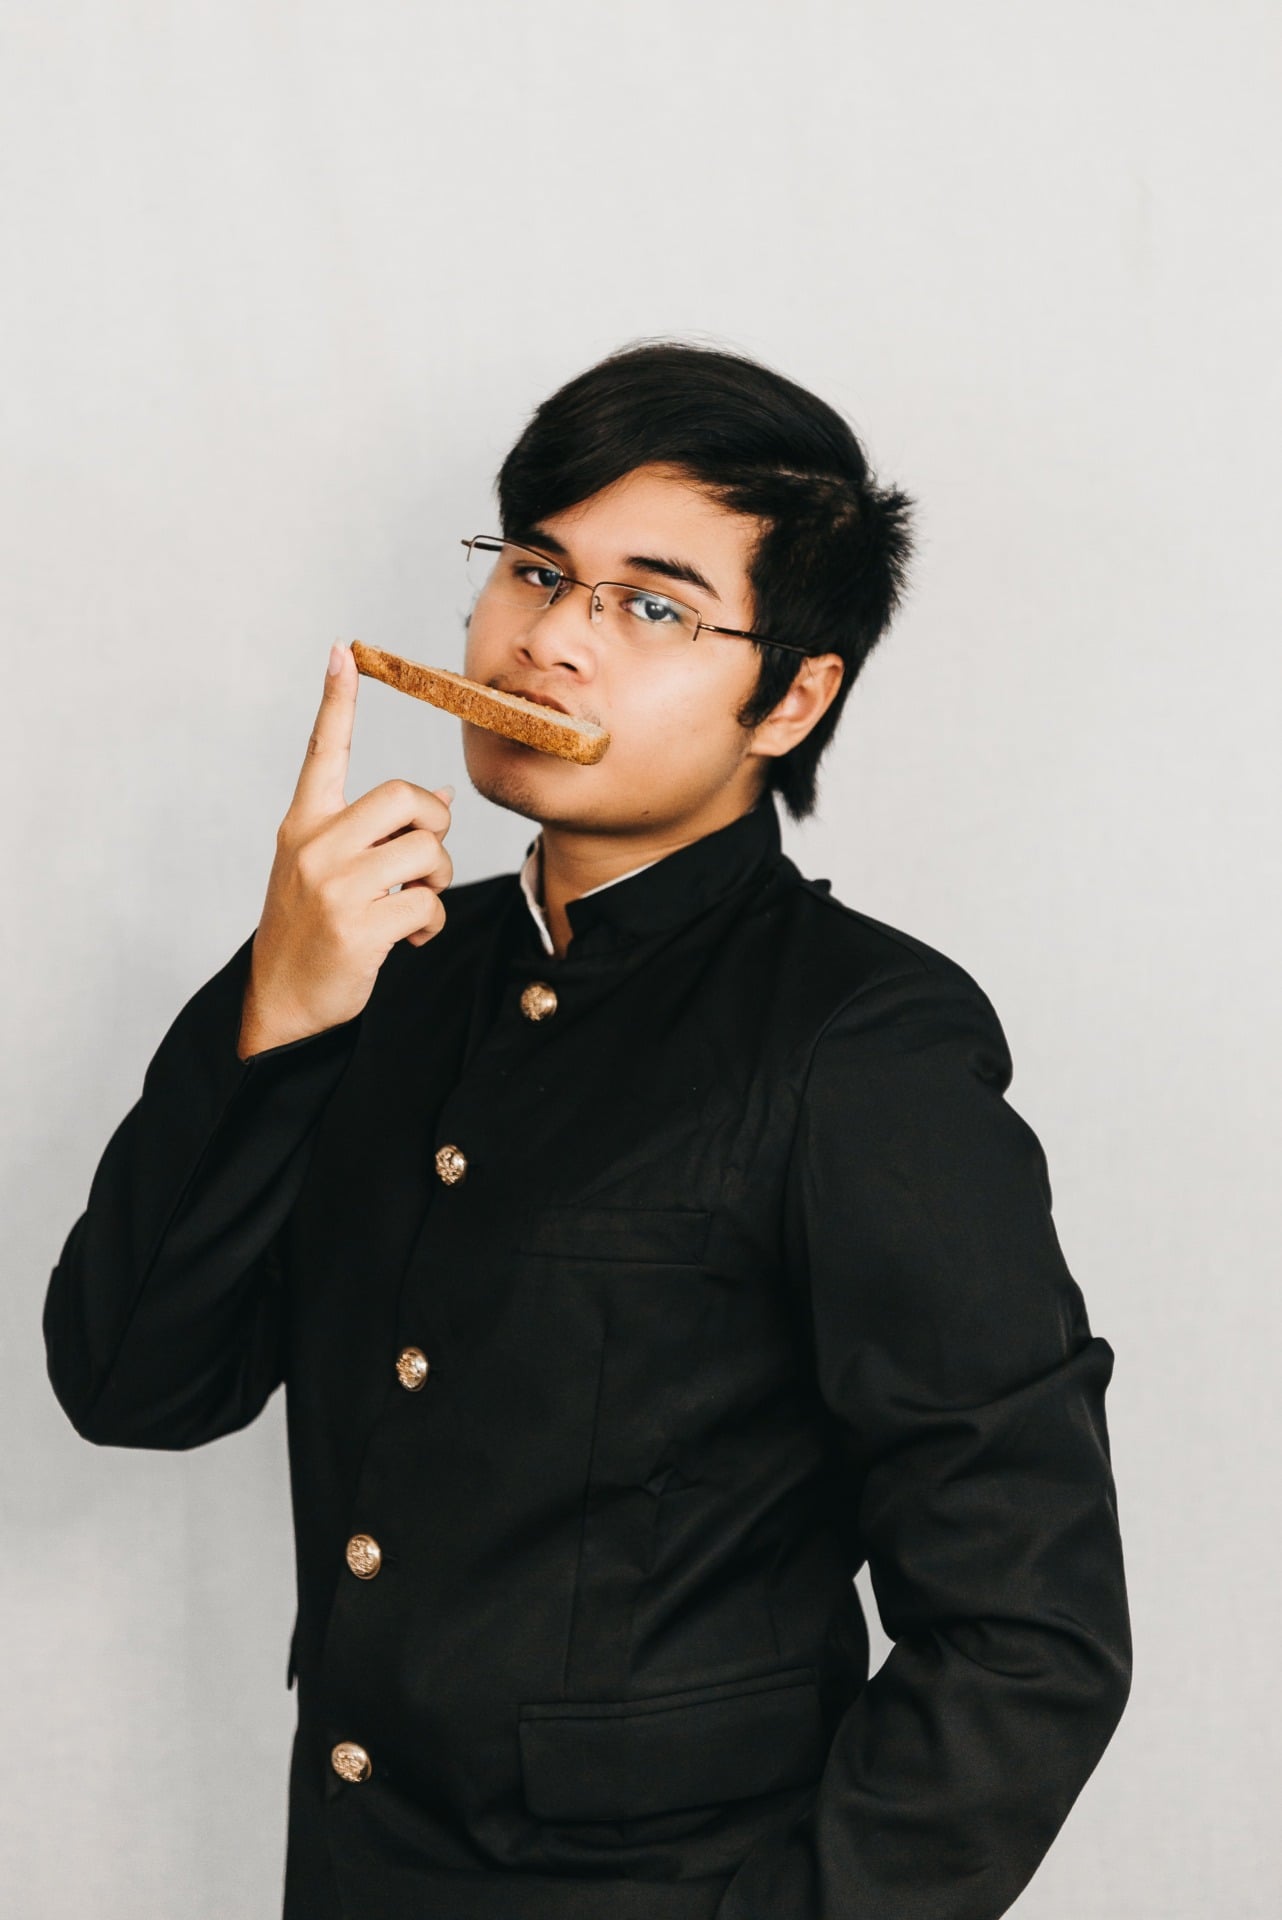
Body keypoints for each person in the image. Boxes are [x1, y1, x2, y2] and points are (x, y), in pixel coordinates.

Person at [43, 340, 1131, 1920]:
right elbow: (133, 1383)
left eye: (652, 608)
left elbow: (1029, 1637)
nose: (550, 638)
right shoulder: (384, 971)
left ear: (792, 696)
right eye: (536, 570)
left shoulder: (861, 1041)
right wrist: (275, 1015)